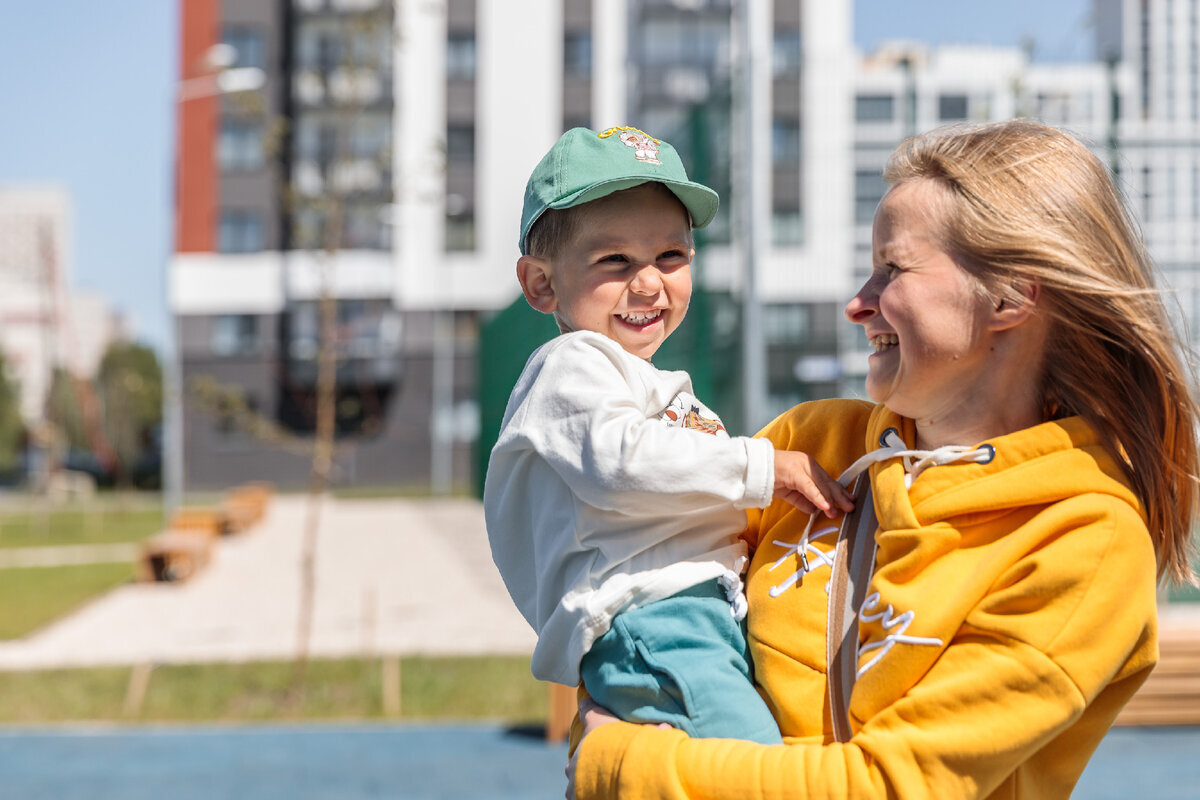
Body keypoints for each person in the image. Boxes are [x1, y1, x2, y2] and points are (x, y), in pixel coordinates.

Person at [567, 119, 1200, 799]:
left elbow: (891, 788)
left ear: (1011, 296)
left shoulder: (1085, 540)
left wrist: (622, 767)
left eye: (892, 270)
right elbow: (641, 603)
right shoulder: (810, 444)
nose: (856, 304)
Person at [485, 126, 853, 745]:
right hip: (652, 616)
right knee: (750, 767)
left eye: (670, 256)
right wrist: (766, 469)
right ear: (542, 283)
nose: (649, 282)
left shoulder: (650, 383)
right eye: (615, 261)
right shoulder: (571, 365)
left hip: (696, 615)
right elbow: (620, 462)